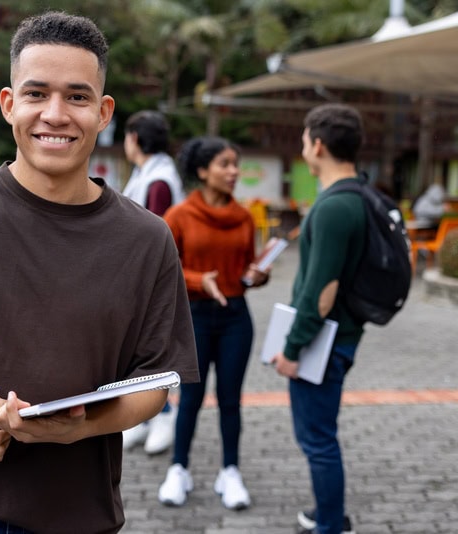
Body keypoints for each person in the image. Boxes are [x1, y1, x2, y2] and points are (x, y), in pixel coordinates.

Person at [0, 11, 199, 533]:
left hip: (79, 512)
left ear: (103, 111)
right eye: (36, 94)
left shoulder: (146, 238)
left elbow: (155, 383)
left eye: (77, 96)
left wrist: (81, 428)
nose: (55, 114)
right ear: (9, 104)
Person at [267, 103, 367, 534]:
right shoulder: (360, 194)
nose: (303, 146)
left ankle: (331, 525)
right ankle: (329, 514)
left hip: (322, 341)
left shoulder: (332, 207)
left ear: (318, 146)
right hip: (342, 335)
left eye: (305, 139)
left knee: (318, 440)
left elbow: (321, 293)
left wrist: (291, 350)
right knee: (320, 434)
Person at [157, 136, 269, 511]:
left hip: (237, 316)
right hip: (195, 317)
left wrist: (257, 275)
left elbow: (245, 270)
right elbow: (164, 269)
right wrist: (197, 280)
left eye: (236, 164)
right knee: (190, 398)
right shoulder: (179, 216)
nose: (234, 171)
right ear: (203, 171)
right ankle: (179, 469)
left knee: (231, 401)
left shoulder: (244, 217)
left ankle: (230, 471)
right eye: (225, 164)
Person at [120, 110, 186, 455]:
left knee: (147, 354)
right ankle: (144, 420)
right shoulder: (150, 173)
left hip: (149, 282)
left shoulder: (158, 181)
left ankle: (164, 414)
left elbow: (152, 232)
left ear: (136, 139)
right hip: (140, 278)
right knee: (136, 355)